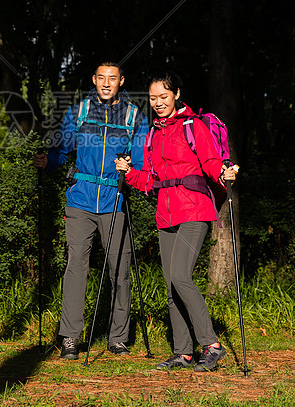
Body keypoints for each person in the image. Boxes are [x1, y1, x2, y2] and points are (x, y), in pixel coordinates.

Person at [114, 72, 237, 372]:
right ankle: (183, 352)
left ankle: (212, 345)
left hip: (194, 209)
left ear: (177, 94)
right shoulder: (153, 134)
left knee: (181, 276)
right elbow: (150, 180)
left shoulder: (193, 125)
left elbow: (209, 161)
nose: (157, 103)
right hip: (165, 213)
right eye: (153, 98)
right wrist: (128, 173)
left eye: (163, 97)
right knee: (171, 286)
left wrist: (223, 171)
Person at [34, 61, 150, 360]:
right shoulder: (79, 112)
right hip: (80, 201)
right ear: (94, 80)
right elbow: (62, 151)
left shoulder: (134, 116)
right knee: (76, 269)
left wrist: (131, 173)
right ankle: (70, 337)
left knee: (120, 271)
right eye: (102, 78)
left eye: (113, 78)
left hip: (114, 200)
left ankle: (118, 338)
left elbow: (140, 163)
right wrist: (49, 161)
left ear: (121, 81)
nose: (107, 83)